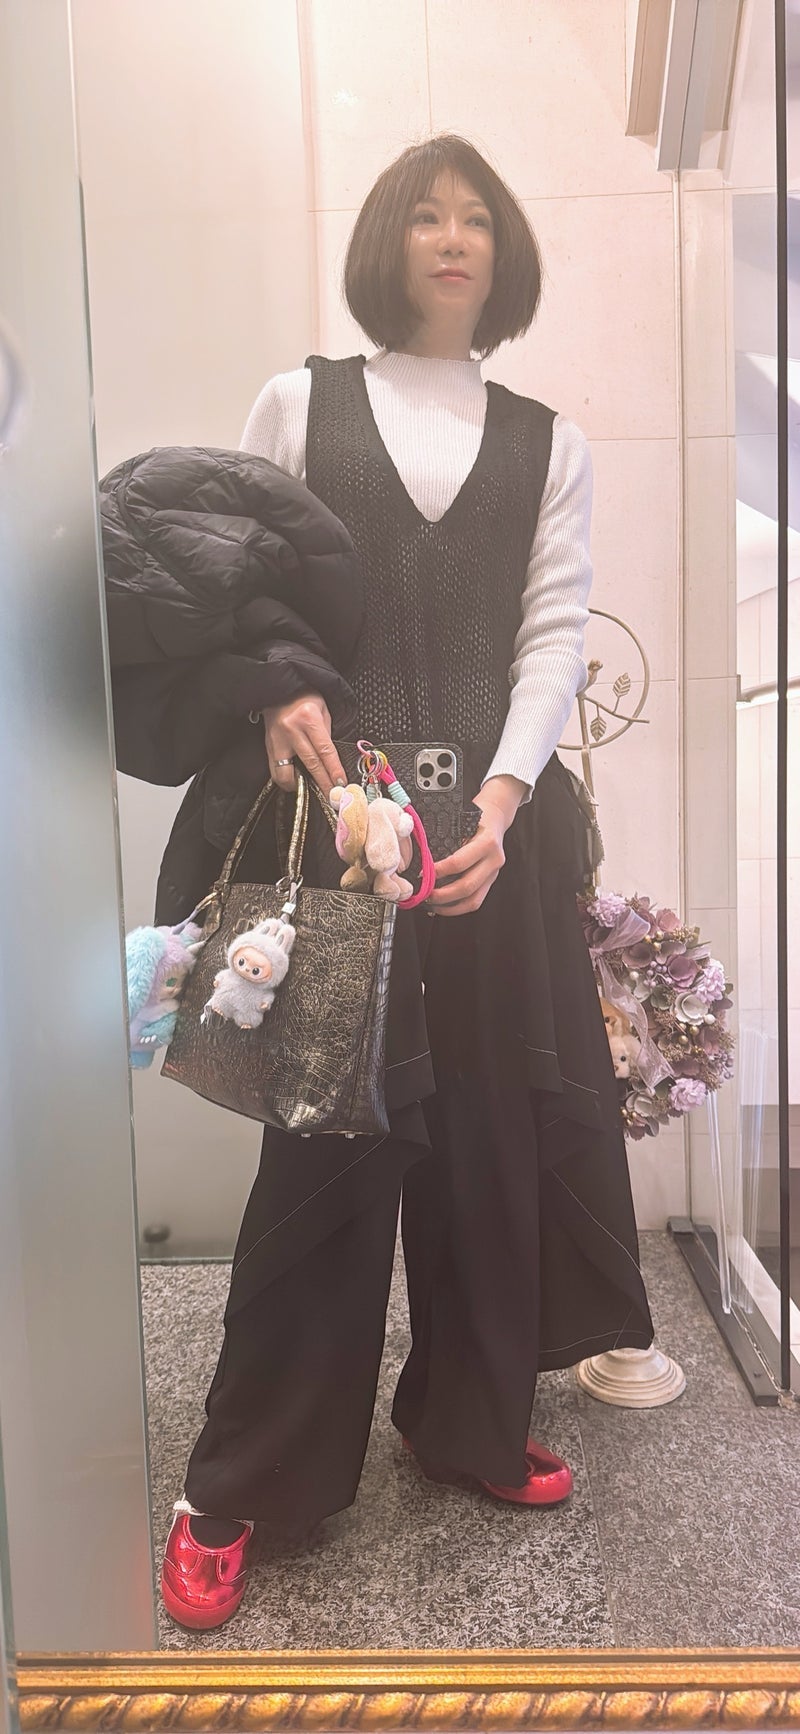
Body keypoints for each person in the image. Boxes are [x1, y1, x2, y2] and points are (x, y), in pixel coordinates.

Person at [160, 132, 655, 1633]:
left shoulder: (550, 439)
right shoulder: (300, 401)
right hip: (334, 834)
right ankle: (241, 1483)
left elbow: (554, 630)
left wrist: (503, 803)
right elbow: (242, 588)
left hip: (492, 843)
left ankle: (467, 1421)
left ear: (505, 250)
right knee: (323, 1151)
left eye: (476, 218)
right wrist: (275, 690)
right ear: (389, 239)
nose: (453, 237)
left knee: (489, 1141)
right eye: (426, 215)